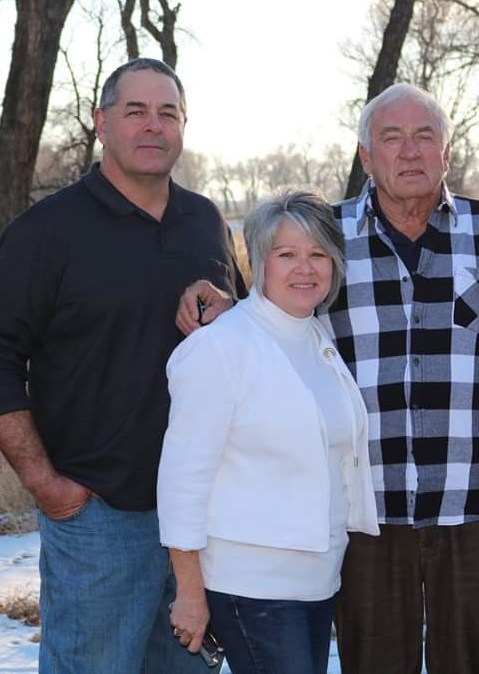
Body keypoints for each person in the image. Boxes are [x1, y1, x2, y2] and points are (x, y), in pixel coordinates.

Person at [177, 83, 479, 673]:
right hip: (365, 514)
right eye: (391, 138)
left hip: (472, 507)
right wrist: (220, 299)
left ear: (448, 153)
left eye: (424, 137)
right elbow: (276, 306)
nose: (409, 152)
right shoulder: (327, 239)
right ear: (364, 157)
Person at [0, 57, 244, 672]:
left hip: (200, 519)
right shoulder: (47, 230)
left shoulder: (205, 221)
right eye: (135, 111)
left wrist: (230, 307)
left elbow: (248, 341)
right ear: (100, 124)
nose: (153, 126)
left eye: (167, 113)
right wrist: (46, 484)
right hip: (100, 519)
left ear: (183, 126)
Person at [157, 190, 379, 674]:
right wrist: (190, 593)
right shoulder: (221, 347)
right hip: (250, 585)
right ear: (258, 261)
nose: (305, 268)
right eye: (287, 255)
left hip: (317, 581)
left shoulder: (316, 336)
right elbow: (182, 481)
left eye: (318, 254)